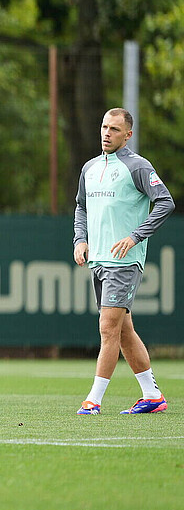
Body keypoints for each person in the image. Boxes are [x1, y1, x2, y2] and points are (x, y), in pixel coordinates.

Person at [73, 108, 175, 415]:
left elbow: (165, 202)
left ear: (127, 135)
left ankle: (93, 400)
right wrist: (80, 239)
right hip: (99, 260)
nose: (107, 133)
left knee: (107, 329)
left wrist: (135, 236)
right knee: (123, 330)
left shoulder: (138, 166)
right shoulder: (89, 168)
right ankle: (152, 395)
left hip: (125, 261)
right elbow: (81, 208)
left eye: (115, 129)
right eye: (104, 127)